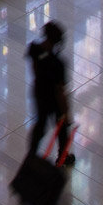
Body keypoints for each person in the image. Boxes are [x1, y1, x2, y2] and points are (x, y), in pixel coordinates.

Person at [25, 21, 74, 165]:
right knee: (62, 127)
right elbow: (60, 90)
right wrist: (66, 112)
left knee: (40, 124)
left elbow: (35, 71)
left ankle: (32, 155)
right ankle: (63, 156)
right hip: (53, 98)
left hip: (39, 93)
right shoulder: (58, 64)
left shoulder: (34, 49)